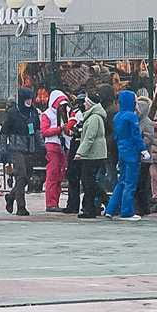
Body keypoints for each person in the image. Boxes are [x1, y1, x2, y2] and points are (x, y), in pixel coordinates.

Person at [0, 87, 39, 216]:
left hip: (30, 148)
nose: (29, 101)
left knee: (27, 176)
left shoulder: (33, 113)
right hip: (17, 149)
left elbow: (37, 131)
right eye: (27, 99)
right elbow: (4, 133)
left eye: (31, 99)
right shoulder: (12, 113)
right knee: (21, 175)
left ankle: (11, 196)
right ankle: (21, 206)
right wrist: (3, 149)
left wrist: (42, 145)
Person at [107, 88, 147, 219]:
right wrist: (143, 149)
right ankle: (127, 211)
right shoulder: (131, 116)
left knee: (121, 181)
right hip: (131, 153)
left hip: (122, 152)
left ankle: (110, 209)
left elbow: (117, 136)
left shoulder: (117, 117)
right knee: (130, 182)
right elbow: (136, 135)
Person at [72, 90, 110, 218]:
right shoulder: (94, 116)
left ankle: (94, 206)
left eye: (86, 102)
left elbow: (89, 137)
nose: (84, 104)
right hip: (95, 153)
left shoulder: (93, 118)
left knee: (88, 182)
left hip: (93, 154)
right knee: (90, 181)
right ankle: (98, 204)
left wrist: (79, 152)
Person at [40, 90, 69, 212]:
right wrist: (58, 129)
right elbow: (44, 131)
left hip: (63, 146)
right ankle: (51, 203)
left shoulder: (65, 113)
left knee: (59, 176)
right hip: (52, 146)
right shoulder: (47, 115)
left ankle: (55, 202)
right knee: (52, 175)